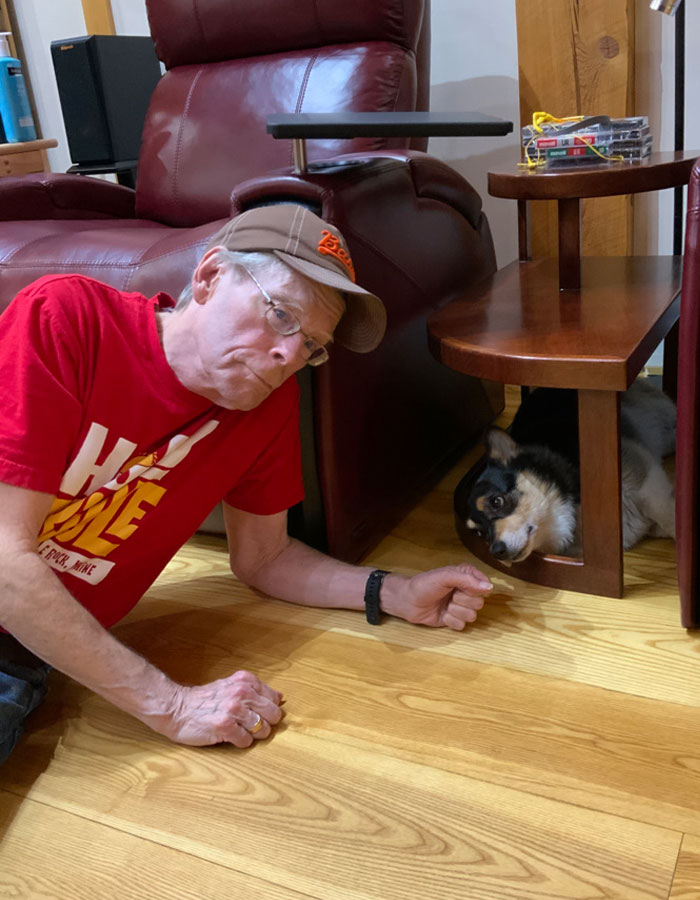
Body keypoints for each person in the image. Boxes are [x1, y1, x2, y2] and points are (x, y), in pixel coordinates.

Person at [0, 204, 493, 764]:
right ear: (209, 278)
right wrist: (173, 705)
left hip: (28, 652)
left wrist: (396, 592)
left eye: (311, 346)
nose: (289, 356)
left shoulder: (265, 406)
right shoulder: (68, 318)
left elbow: (265, 558)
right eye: (281, 315)